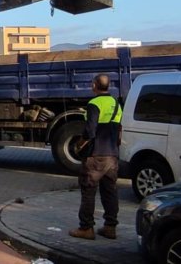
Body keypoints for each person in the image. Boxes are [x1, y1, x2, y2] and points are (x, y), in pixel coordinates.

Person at [69, 74, 122, 240]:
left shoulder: (94, 103)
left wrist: (79, 143)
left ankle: (86, 228)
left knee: (88, 191)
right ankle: (110, 227)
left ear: (94, 85)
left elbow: (90, 131)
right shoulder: (115, 103)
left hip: (96, 155)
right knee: (110, 191)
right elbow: (119, 129)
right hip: (112, 155)